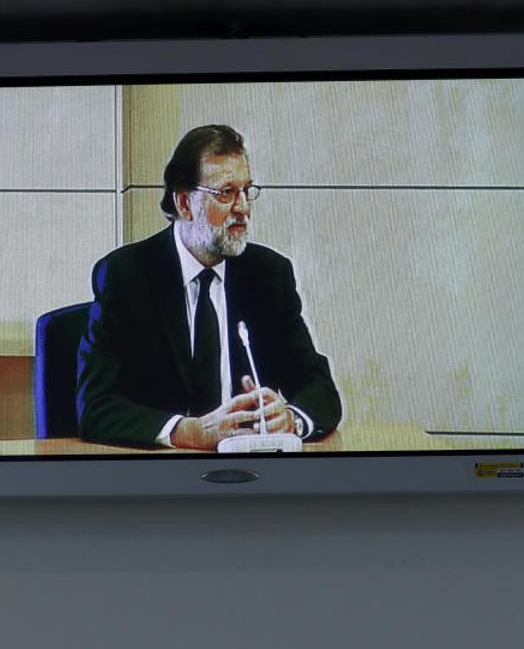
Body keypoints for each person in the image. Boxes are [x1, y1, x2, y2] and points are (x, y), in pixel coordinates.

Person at [76, 124, 342, 450]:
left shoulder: (268, 275)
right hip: (158, 478)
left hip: (247, 472)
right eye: (226, 193)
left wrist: (292, 418)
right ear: (185, 204)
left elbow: (318, 387)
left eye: (247, 190)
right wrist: (187, 431)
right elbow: (95, 407)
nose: (243, 207)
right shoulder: (126, 275)